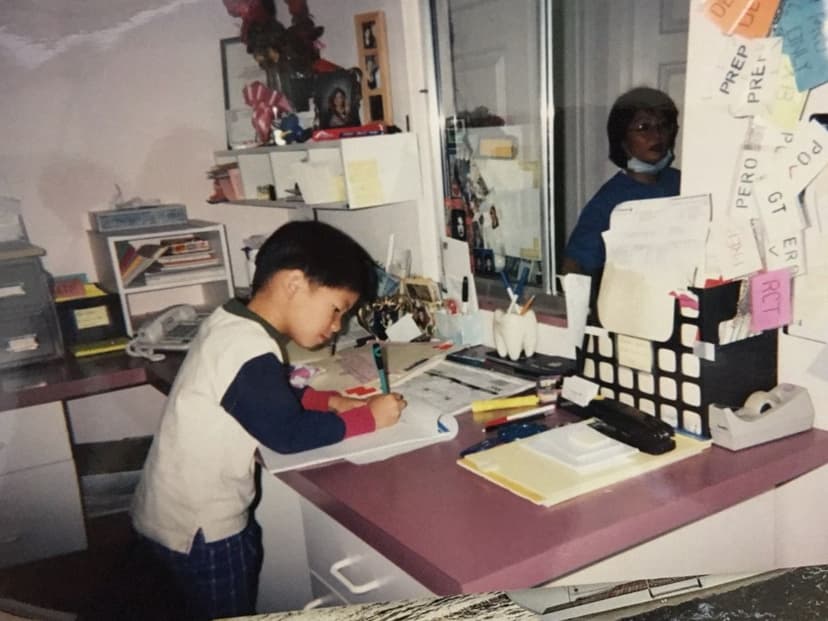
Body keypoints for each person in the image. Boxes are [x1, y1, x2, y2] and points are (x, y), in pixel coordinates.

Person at [130, 220, 407, 620]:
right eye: (336, 310)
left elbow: (258, 394)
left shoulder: (231, 323)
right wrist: (370, 418)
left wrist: (326, 400)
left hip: (169, 514)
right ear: (294, 284)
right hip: (203, 531)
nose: (336, 327)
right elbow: (286, 433)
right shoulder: (248, 347)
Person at [563, 86, 681, 283]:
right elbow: (575, 265)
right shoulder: (609, 200)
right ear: (623, 139)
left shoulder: (682, 182)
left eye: (664, 125)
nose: (657, 135)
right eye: (644, 127)